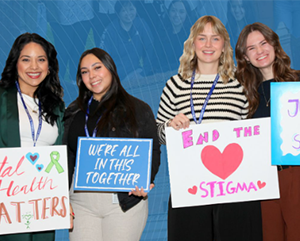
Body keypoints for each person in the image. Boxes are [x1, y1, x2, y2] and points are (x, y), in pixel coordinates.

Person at [156, 15, 262, 241]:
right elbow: (158, 134)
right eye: (202, 38)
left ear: (224, 45)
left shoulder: (239, 86)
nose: (208, 45)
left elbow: (250, 137)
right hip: (189, 188)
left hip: (234, 189)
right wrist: (170, 126)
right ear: (192, 44)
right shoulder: (174, 85)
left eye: (215, 39)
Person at [64, 47, 160, 241]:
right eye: (84, 72)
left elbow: (153, 151)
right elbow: (66, 156)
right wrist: (61, 197)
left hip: (123, 202)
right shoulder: (72, 112)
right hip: (80, 202)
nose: (92, 76)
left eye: (97, 68)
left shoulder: (138, 109)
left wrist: (144, 180)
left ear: (110, 68)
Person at [235, 22, 300, 241]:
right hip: (262, 182)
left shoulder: (298, 82)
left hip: (296, 174)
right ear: (245, 56)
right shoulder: (242, 97)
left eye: (263, 43)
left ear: (274, 44)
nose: (259, 51)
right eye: (251, 48)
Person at [0, 33, 65, 241]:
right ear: (15, 63)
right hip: (7, 200)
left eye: (41, 59)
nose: (34, 67)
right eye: (26, 59)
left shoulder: (56, 106)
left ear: (49, 65)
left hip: (44, 202)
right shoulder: (2, 98)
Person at [100, 0, 154, 81]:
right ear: (118, 13)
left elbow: (150, 48)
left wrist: (143, 73)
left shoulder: (141, 24)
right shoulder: (110, 31)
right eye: (124, 10)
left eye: (131, 9)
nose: (128, 13)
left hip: (136, 72)